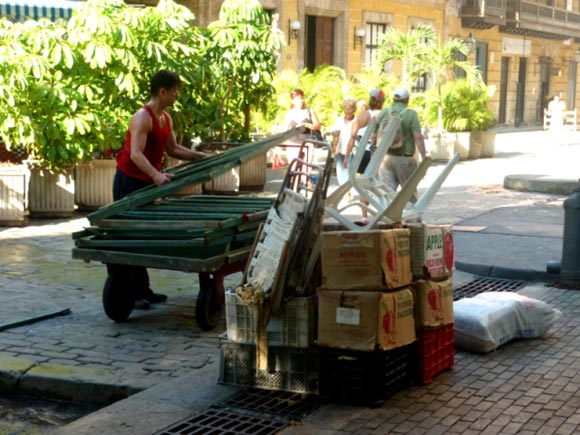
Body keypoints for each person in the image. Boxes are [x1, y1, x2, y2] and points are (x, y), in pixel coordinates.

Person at [113, 69, 208, 310]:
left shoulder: (166, 118)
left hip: (146, 182)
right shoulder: (142, 118)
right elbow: (135, 154)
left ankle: (142, 290)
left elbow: (174, 150)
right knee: (130, 235)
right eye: (175, 91)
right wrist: (155, 175)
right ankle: (132, 294)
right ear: (162, 91)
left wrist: (202, 157)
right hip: (129, 181)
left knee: (142, 234)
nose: (177, 96)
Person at [343, 89, 387, 223]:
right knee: (382, 184)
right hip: (380, 154)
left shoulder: (363, 116)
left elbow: (352, 138)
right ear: (383, 101)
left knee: (363, 185)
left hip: (363, 153)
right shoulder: (386, 115)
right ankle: (383, 212)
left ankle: (364, 216)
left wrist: (346, 156)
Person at [377, 87, 426, 204]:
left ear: (393, 99)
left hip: (385, 158)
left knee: (387, 193)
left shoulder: (384, 112)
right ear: (407, 99)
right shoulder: (411, 114)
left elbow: (374, 135)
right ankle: (411, 219)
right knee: (409, 193)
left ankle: (388, 220)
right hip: (405, 159)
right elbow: (418, 137)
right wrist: (423, 156)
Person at [278, 89, 322, 167]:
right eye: (298, 99)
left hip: (307, 144)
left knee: (306, 168)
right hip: (293, 144)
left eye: (302, 98)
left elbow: (318, 125)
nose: (301, 101)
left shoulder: (309, 111)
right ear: (293, 101)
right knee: (294, 168)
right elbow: (285, 130)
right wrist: (278, 148)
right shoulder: (289, 113)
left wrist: (306, 125)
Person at [331, 98, 357, 186]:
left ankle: (345, 191)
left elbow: (357, 137)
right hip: (339, 148)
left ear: (354, 109)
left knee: (348, 171)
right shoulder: (339, 119)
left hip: (351, 150)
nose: (349, 111)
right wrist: (334, 133)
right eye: (346, 108)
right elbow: (334, 133)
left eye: (351, 108)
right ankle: (344, 190)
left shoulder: (357, 121)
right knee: (340, 172)